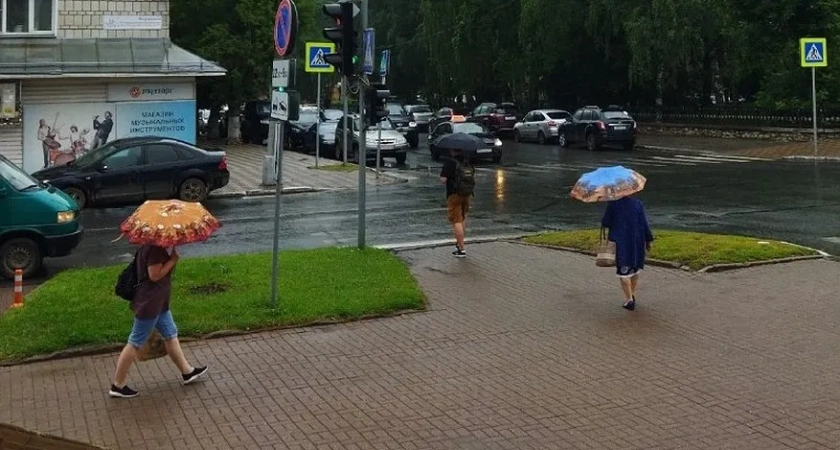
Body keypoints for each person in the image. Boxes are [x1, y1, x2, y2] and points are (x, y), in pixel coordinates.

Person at [110, 245, 208, 398]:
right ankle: (117, 385)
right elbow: (154, 275)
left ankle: (187, 371)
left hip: (158, 303)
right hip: (150, 304)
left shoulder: (148, 247)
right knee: (135, 341)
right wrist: (172, 260)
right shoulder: (154, 249)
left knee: (170, 333)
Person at [601, 196, 654, 310]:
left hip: (621, 241)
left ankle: (629, 299)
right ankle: (631, 295)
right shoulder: (637, 203)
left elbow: (606, 222)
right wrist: (648, 239)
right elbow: (644, 223)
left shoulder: (613, 204)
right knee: (634, 269)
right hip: (636, 241)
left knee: (623, 271)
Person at [439, 148, 475, 258]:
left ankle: (461, 249)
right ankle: (460, 243)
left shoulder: (450, 162)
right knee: (462, 218)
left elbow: (443, 180)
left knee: (456, 221)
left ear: (452, 150)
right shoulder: (467, 161)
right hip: (467, 193)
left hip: (454, 194)